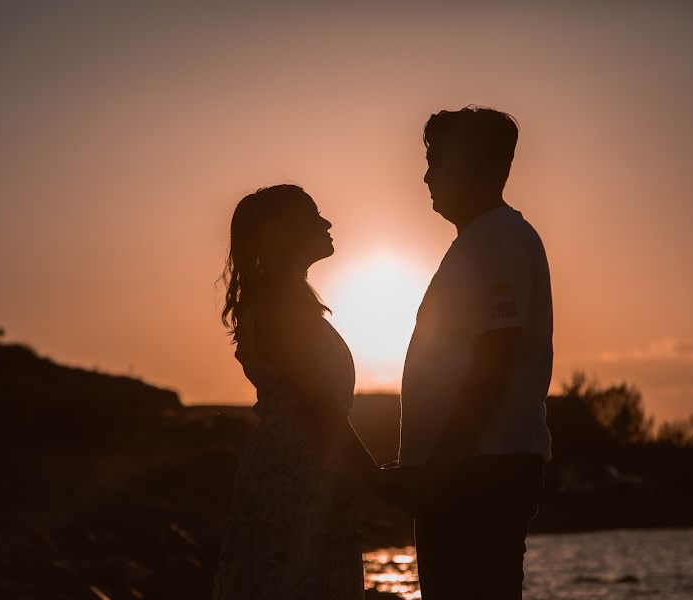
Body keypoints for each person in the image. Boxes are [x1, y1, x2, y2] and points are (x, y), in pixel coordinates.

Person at [391, 106, 553, 599]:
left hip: (477, 471)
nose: (425, 176)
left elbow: (494, 362)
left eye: (435, 161)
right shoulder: (483, 241)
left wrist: (438, 469)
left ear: (471, 165)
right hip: (473, 467)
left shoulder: (494, 241)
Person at [212, 184, 377, 600]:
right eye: (313, 215)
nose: (327, 222)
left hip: (303, 466)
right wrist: (375, 478)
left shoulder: (284, 301)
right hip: (294, 470)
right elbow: (318, 404)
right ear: (283, 231)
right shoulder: (278, 306)